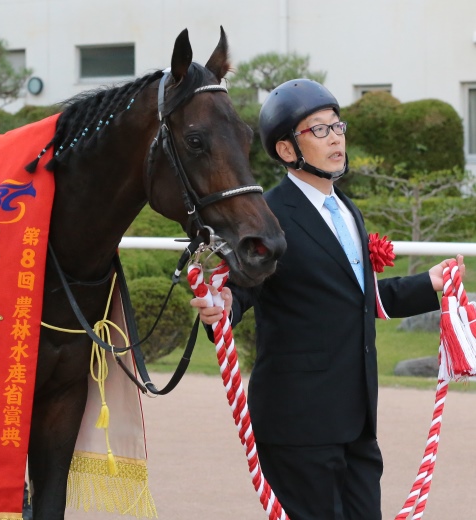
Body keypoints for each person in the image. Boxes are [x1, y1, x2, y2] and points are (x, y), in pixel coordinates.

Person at [191, 78, 465, 520]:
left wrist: (429, 283)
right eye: (319, 129)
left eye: (338, 126)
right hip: (298, 421)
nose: (336, 137)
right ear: (286, 150)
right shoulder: (268, 216)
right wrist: (221, 305)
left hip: (357, 419)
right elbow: (240, 290)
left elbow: (357, 298)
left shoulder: (348, 210)